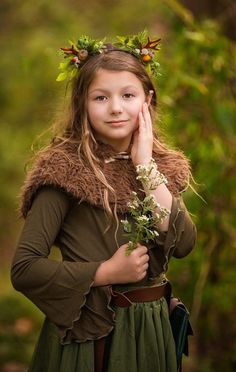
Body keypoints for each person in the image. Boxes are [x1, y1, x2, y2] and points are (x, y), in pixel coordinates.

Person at [11, 32, 197, 372]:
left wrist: (144, 165)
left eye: (127, 94)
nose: (115, 107)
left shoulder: (161, 168)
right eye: (100, 97)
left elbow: (184, 244)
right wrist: (104, 272)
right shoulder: (64, 172)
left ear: (147, 99)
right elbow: (25, 269)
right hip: (91, 334)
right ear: (82, 103)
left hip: (152, 331)